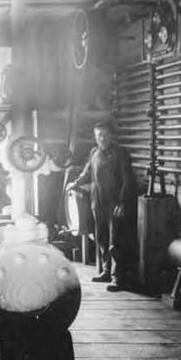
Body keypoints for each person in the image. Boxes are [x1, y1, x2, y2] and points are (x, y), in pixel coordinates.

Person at [66, 119, 136, 292]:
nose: (102, 138)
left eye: (105, 134)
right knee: (102, 239)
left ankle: (117, 278)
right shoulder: (94, 152)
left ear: (111, 135)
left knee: (115, 241)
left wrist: (122, 203)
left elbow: (128, 181)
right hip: (97, 202)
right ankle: (106, 271)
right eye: (99, 135)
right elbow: (87, 172)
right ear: (95, 137)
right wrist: (75, 183)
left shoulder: (121, 154)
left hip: (114, 203)